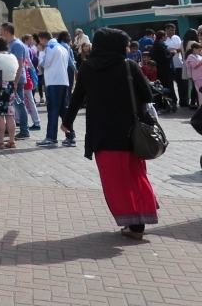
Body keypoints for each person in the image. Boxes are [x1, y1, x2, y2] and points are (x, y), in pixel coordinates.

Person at [61, 28, 158, 240]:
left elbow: (77, 97)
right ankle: (139, 224)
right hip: (132, 134)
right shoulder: (128, 66)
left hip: (102, 135)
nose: (127, 48)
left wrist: (67, 122)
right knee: (135, 176)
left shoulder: (87, 67)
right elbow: (148, 95)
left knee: (114, 181)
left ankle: (130, 223)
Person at [37, 32, 70, 147]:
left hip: (53, 82)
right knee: (63, 110)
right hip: (63, 81)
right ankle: (71, 136)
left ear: (43, 39)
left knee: (53, 110)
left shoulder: (50, 47)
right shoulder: (62, 47)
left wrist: (41, 52)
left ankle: (51, 137)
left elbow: (44, 63)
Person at [0, 22, 30, 139]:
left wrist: (16, 82)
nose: (0, 33)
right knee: (12, 105)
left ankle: (24, 130)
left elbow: (19, 64)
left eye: (1, 31)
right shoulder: (10, 44)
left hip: (16, 79)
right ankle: (10, 128)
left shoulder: (16, 45)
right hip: (10, 79)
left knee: (19, 104)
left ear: (6, 31)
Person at [166, 23, 188, 107]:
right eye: (171, 30)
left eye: (174, 30)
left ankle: (184, 101)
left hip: (179, 64)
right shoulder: (164, 39)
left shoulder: (176, 38)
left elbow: (180, 48)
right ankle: (173, 101)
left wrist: (173, 50)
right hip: (170, 65)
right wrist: (173, 50)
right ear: (167, 30)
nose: (173, 32)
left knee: (182, 84)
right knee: (171, 85)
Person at [151, 30, 175, 106]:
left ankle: (162, 102)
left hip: (159, 68)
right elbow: (165, 58)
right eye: (165, 36)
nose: (166, 37)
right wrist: (172, 54)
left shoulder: (155, 45)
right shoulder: (161, 46)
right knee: (167, 85)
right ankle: (168, 102)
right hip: (165, 69)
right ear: (162, 37)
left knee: (161, 86)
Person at [184, 41, 202, 107]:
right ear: (194, 49)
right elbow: (193, 66)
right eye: (199, 50)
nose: (200, 51)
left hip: (200, 75)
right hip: (198, 77)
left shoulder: (198, 56)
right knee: (201, 92)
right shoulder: (190, 57)